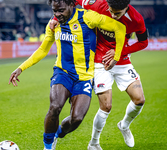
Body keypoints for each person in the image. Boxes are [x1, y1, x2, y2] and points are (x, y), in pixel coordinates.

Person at [8, 0, 126, 150]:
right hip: (62, 72)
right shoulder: (54, 24)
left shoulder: (88, 18)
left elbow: (120, 28)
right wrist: (20, 68)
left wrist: (116, 56)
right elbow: (43, 49)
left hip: (84, 77)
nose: (57, 15)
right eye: (54, 11)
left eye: (61, 11)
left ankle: (57, 133)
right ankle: (48, 146)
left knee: (76, 118)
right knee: (55, 106)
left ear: (72, 4)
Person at [64, 0, 147, 149]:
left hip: (122, 61)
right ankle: (94, 143)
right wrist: (56, 20)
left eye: (118, 13)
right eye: (111, 11)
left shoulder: (136, 19)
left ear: (126, 8)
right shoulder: (96, 4)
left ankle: (124, 125)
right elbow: (72, 2)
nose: (113, 16)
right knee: (106, 106)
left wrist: (120, 52)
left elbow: (144, 42)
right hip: (99, 62)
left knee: (139, 99)